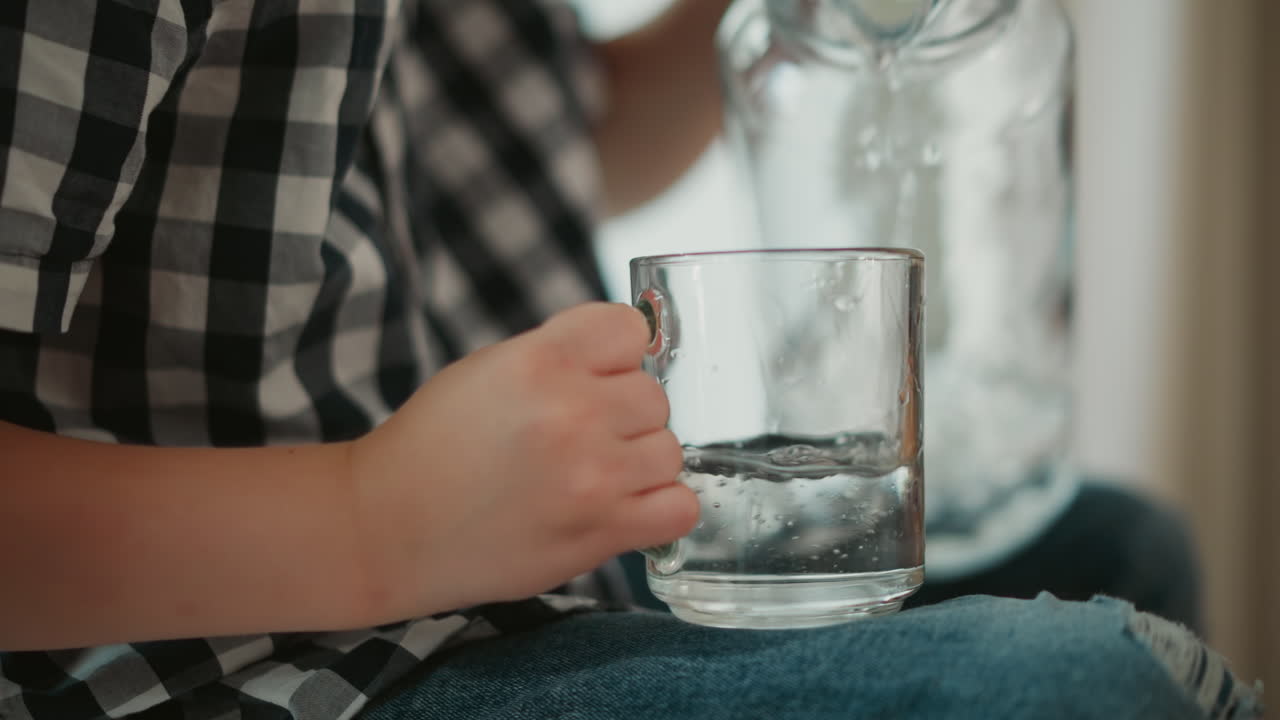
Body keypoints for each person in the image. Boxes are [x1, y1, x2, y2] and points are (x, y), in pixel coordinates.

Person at [0, 1, 1260, 718]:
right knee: (1065, 693)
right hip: (241, 660)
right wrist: (370, 518)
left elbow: (554, 140)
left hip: (506, 571)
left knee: (1127, 546)